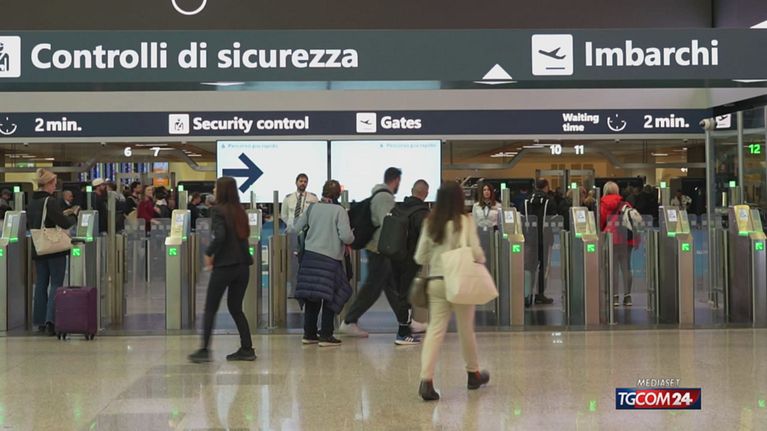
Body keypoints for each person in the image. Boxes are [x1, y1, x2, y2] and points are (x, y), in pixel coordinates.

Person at [413, 181, 490, 401]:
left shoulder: (430, 222)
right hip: (460, 281)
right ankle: (473, 374)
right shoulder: (465, 221)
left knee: (435, 331)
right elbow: (476, 252)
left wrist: (437, 256)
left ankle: (426, 380)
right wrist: (479, 260)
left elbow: (420, 257)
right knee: (466, 330)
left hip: (437, 281)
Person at [340, 167, 420, 345]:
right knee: (373, 287)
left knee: (393, 288)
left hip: (378, 248)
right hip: (380, 249)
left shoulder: (380, 196)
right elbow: (388, 225)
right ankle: (349, 321)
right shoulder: (384, 197)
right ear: (396, 180)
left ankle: (406, 322)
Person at [189, 177, 256, 363]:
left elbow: (220, 236)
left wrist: (209, 253)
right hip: (243, 266)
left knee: (210, 307)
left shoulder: (218, 210)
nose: (213, 189)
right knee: (236, 308)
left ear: (223, 190)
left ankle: (204, 350)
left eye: (216, 187)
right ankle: (247, 348)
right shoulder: (240, 211)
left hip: (225, 266)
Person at [292, 179, 354, 346]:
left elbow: (296, 228)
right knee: (331, 296)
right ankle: (326, 334)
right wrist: (352, 236)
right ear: (338, 194)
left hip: (310, 258)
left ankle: (309, 334)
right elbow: (346, 237)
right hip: (330, 260)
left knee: (312, 296)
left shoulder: (312, 208)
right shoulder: (339, 211)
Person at [27, 169, 75, 335]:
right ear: (47, 184)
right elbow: (64, 223)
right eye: (54, 183)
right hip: (54, 248)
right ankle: (51, 321)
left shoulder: (32, 202)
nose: (55, 187)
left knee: (41, 283)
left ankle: (40, 321)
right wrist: (73, 215)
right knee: (56, 283)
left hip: (39, 247)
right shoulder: (50, 201)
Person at [390, 180, 431, 334]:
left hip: (394, 255)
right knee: (406, 295)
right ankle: (403, 332)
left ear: (412, 190)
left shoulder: (398, 208)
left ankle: (405, 326)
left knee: (401, 294)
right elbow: (425, 237)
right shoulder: (422, 212)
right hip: (411, 258)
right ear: (426, 193)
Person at [600, 181, 636, 307]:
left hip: (611, 239)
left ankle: (614, 297)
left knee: (612, 268)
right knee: (626, 267)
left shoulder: (602, 204)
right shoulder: (625, 204)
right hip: (626, 238)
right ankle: (627, 296)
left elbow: (601, 222)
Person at [526, 178, 557, 305]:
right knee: (543, 267)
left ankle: (527, 294)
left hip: (530, 238)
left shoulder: (527, 200)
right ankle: (540, 294)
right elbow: (554, 218)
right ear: (546, 187)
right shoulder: (549, 201)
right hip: (545, 237)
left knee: (529, 266)